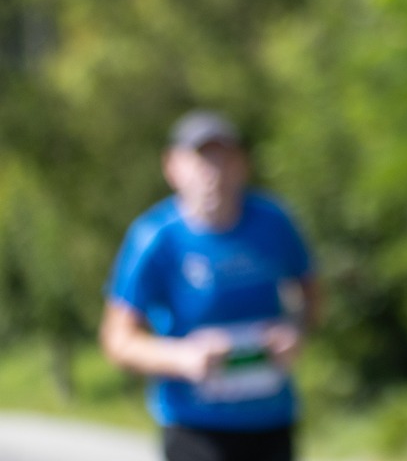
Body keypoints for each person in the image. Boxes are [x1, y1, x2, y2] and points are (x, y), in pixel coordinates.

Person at [100, 111, 319, 461]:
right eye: (201, 159)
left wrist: (294, 330)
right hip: (195, 425)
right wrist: (183, 357)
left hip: (271, 419)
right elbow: (118, 340)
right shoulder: (155, 237)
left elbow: (310, 294)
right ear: (172, 167)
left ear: (242, 164)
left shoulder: (274, 222)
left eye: (224, 158)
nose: (213, 171)